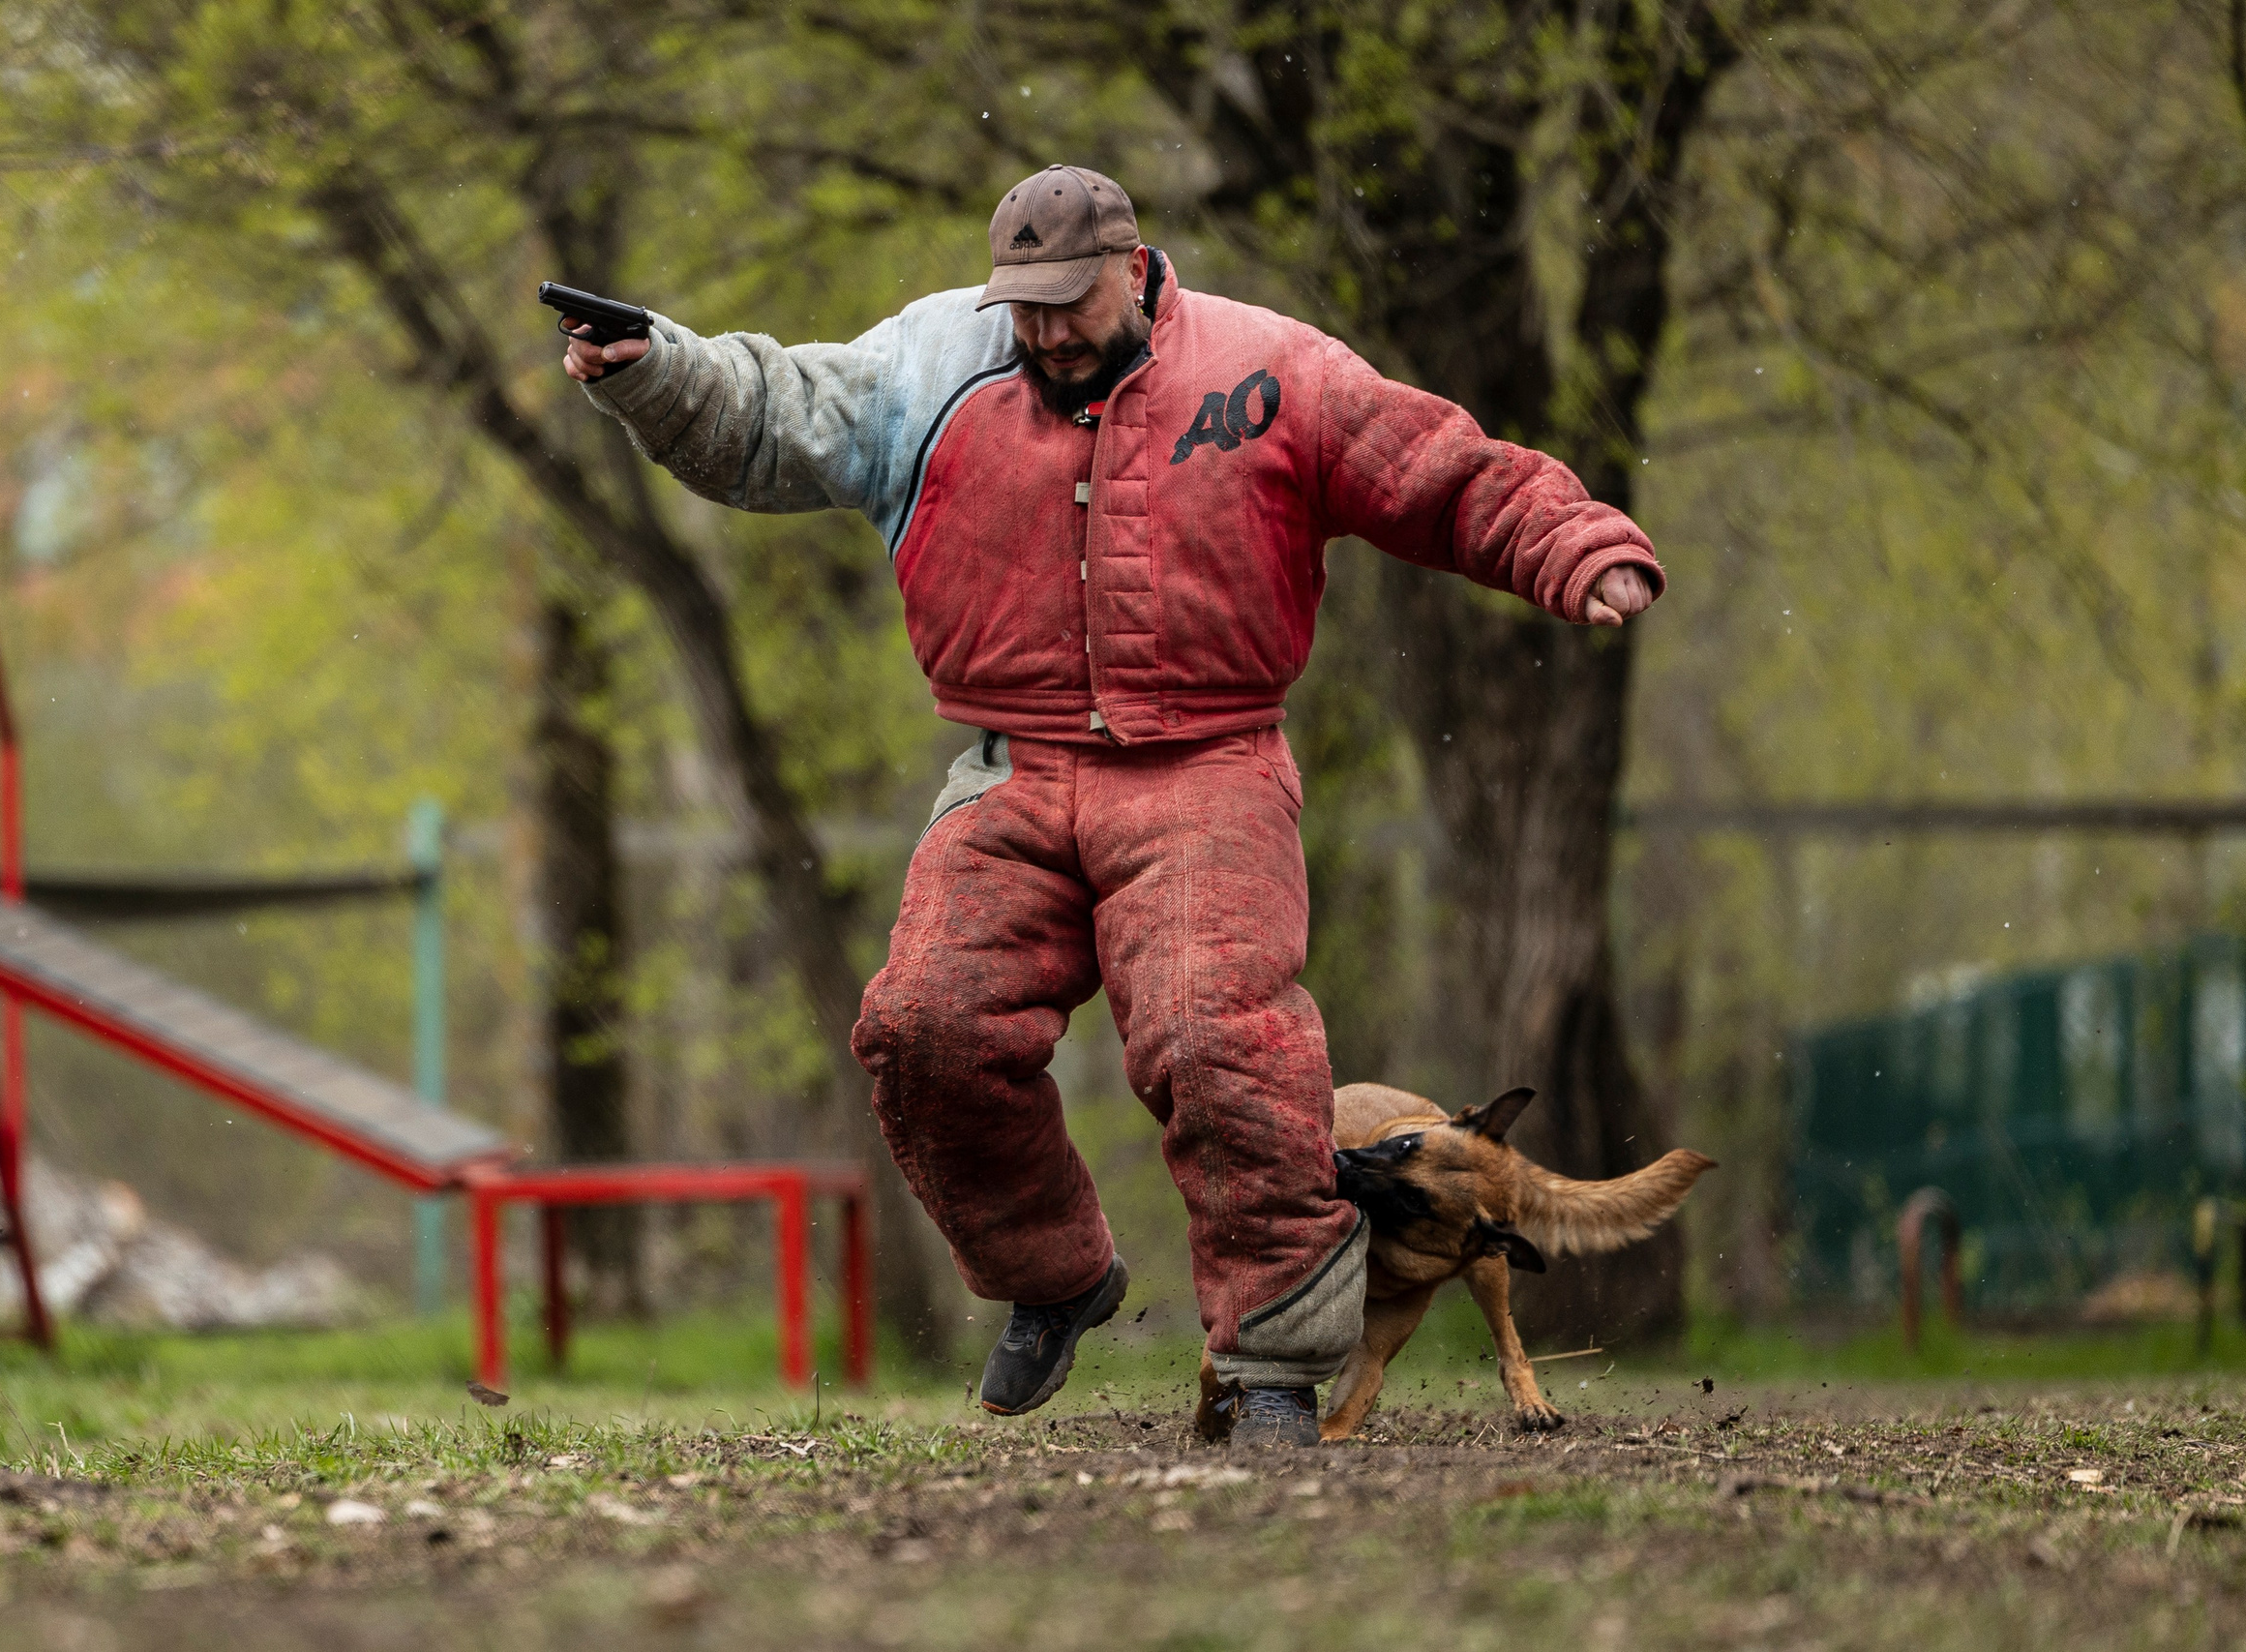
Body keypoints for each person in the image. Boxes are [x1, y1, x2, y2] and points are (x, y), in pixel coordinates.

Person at [562, 165, 1662, 1444]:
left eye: (1068, 303)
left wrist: (1576, 546)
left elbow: (1440, 470)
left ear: (1134, 270)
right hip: (1011, 766)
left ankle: (1272, 1362)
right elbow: (774, 410)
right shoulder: (932, 366)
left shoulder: (1269, 371)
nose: (1044, 332)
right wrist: (653, 369)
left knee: (1216, 1037)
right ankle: (1053, 1274)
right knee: (922, 1030)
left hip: (1209, 763)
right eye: (1021, 308)